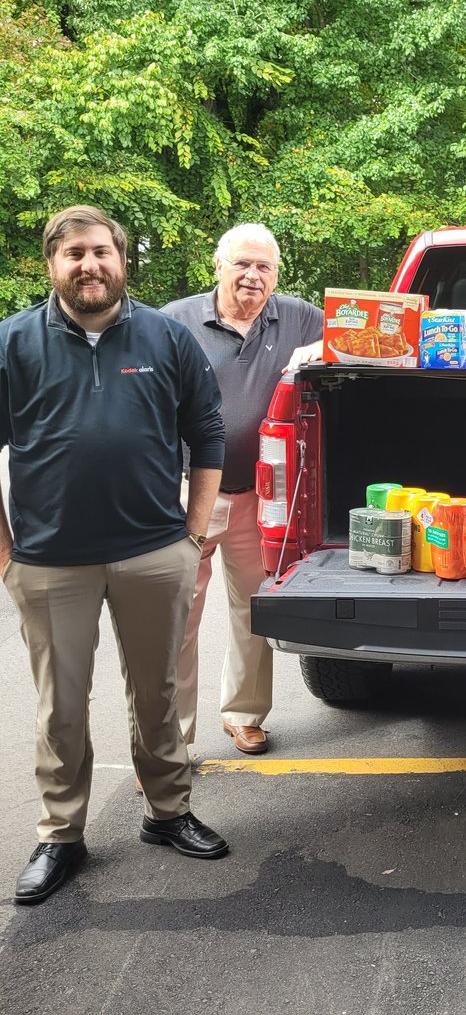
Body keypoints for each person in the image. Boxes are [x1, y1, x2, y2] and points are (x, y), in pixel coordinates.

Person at [1, 205, 229, 906]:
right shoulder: (11, 344)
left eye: (101, 251)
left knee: (156, 692)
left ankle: (168, 813)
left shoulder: (167, 337)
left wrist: (191, 534)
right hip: (49, 561)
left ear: (122, 259)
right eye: (73, 254)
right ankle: (61, 835)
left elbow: (208, 433)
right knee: (60, 705)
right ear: (52, 265)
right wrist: (6, 555)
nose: (89, 265)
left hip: (152, 553)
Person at [162, 223, 322, 756]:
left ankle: (245, 714)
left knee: (255, 608)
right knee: (176, 617)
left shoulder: (297, 317)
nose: (253, 277)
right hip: (188, 492)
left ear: (276, 275)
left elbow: (356, 338)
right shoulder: (175, 321)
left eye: (264, 268)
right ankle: (171, 738)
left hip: (263, 494)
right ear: (218, 265)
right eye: (242, 265)